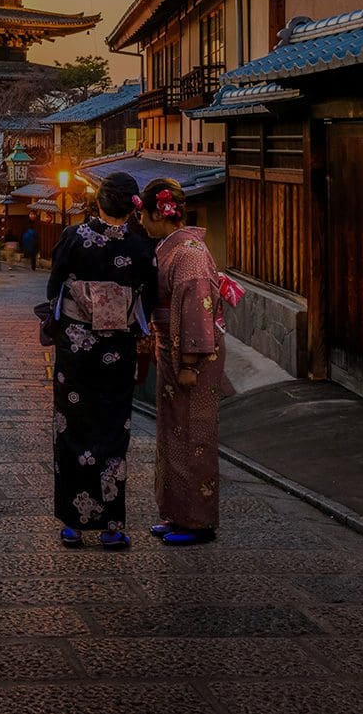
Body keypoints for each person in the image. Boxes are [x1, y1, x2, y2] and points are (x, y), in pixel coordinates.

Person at [45, 172, 157, 549]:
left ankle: (73, 524)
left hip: (76, 349)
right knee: (112, 430)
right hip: (117, 350)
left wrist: (67, 313)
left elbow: (55, 285)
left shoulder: (73, 237)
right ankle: (112, 525)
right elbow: (149, 297)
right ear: (132, 206)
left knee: (72, 427)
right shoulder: (141, 246)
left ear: (98, 201)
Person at [138, 177, 225, 545]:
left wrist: (189, 362)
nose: (141, 221)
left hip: (193, 358)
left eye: (144, 214)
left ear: (161, 211)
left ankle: (198, 521)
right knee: (173, 432)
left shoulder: (187, 253)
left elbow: (196, 308)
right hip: (172, 350)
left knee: (194, 434)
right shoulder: (171, 248)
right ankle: (176, 513)